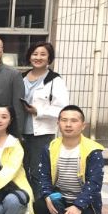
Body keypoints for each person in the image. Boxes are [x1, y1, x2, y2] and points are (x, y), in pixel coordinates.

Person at [34, 105, 103, 214]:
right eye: (64, 120)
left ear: (83, 125)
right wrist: (47, 196)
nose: (68, 124)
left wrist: (78, 206)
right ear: (58, 123)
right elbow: (44, 176)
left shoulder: (93, 150)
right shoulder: (50, 148)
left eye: (74, 120)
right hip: (59, 198)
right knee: (39, 206)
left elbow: (94, 183)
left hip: (85, 203)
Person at [22, 42, 69, 201]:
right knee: (22, 170)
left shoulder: (55, 80)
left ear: (49, 58)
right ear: (29, 56)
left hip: (41, 133)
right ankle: (26, 203)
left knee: (38, 171)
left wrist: (38, 111)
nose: (38, 57)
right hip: (21, 131)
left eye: (43, 54)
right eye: (35, 54)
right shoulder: (22, 77)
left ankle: (40, 204)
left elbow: (62, 109)